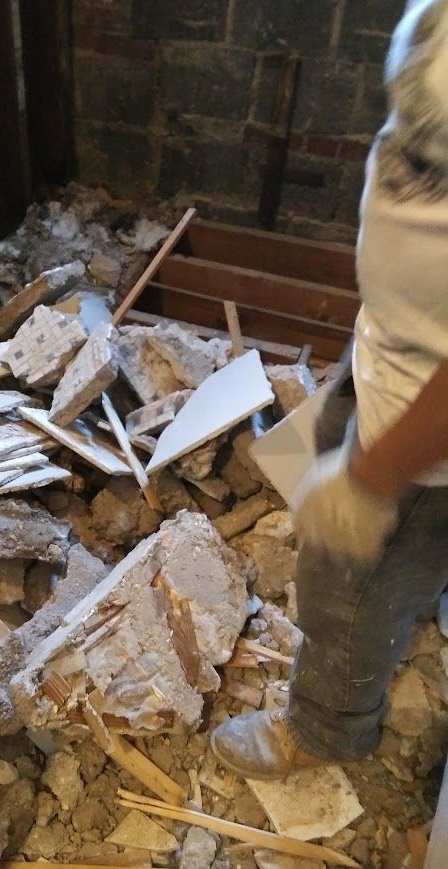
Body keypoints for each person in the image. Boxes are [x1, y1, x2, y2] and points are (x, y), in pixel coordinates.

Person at [211, 0, 448, 780]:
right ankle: (426, 581)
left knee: (347, 588)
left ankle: (325, 729)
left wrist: (371, 479)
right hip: (398, 343)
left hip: (423, 435)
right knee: (376, 530)